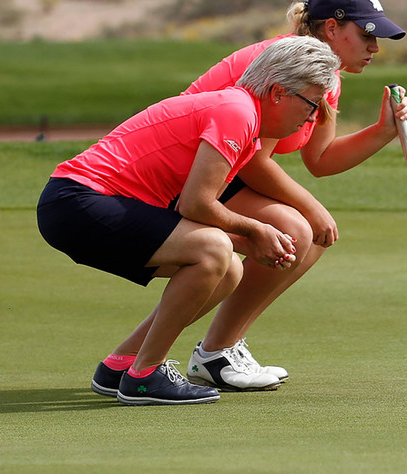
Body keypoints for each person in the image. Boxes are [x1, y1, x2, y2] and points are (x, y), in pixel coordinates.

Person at [36, 36, 340, 406]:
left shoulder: (244, 115)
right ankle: (146, 376)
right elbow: (195, 205)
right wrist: (255, 230)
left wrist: (246, 244)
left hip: (85, 203)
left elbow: (191, 205)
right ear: (277, 93)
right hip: (78, 201)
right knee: (214, 250)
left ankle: (122, 364)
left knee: (228, 268)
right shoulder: (237, 111)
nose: (311, 118)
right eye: (311, 104)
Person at [174, 0, 407, 391]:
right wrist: (313, 207)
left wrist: (382, 131)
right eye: (366, 34)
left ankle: (221, 348)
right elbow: (251, 161)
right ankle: (215, 353)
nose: (375, 47)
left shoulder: (326, 76)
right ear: (332, 29)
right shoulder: (286, 66)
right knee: (299, 229)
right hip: (185, 169)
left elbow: (319, 160)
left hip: (220, 171)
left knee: (310, 234)